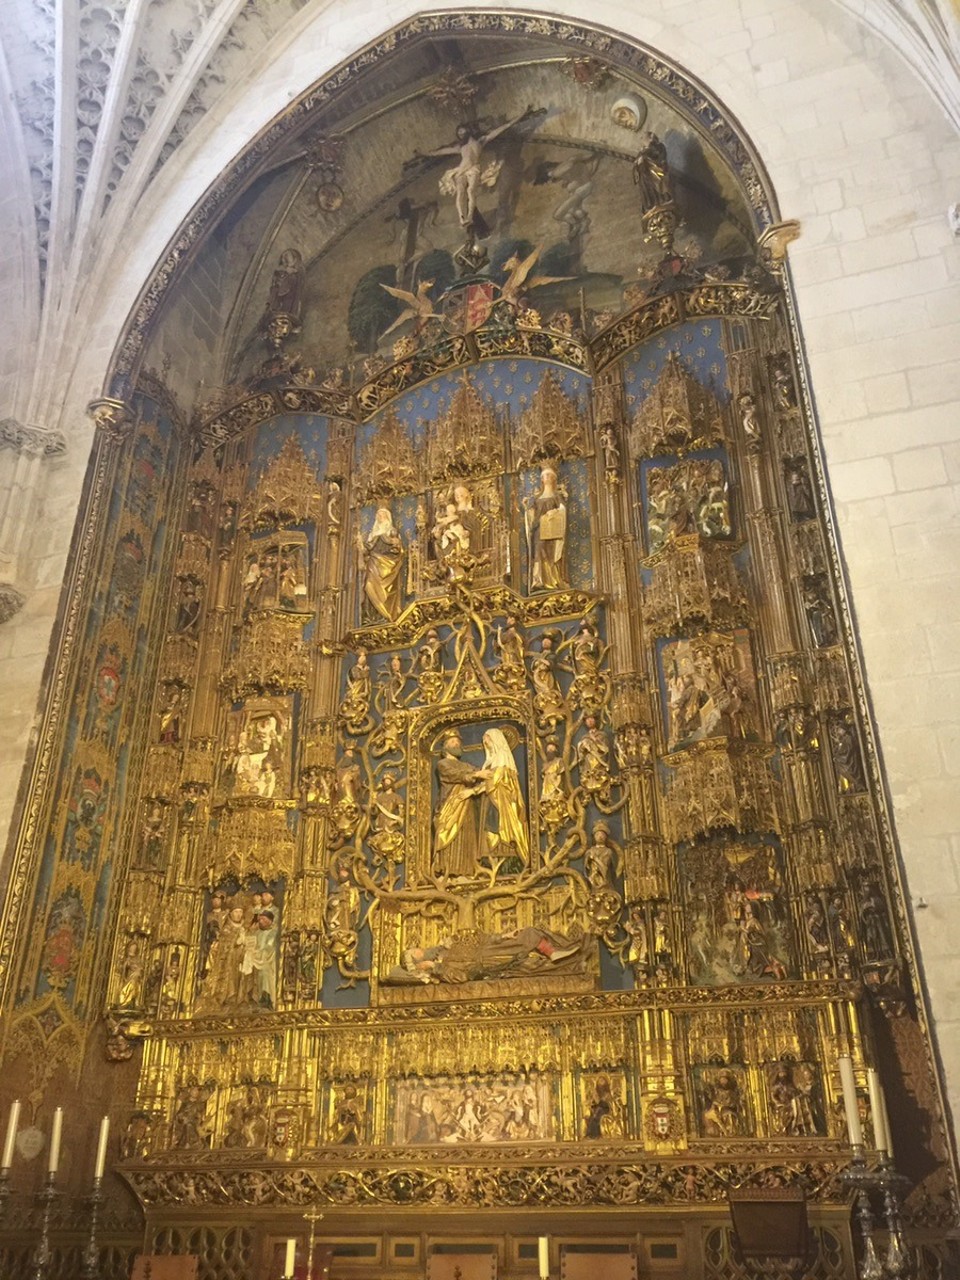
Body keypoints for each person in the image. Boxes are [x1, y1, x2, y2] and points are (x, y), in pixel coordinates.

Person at [433, 733, 487, 877]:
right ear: (445, 746)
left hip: (466, 804)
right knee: (448, 834)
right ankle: (447, 871)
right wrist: (475, 775)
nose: (456, 744)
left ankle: (466, 871)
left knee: (466, 834)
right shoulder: (442, 764)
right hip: (450, 803)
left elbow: (480, 774)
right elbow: (453, 775)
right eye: (452, 741)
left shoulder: (466, 765)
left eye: (458, 741)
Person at [480, 728, 529, 865]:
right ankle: (492, 861)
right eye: (484, 740)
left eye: (487, 738)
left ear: (496, 739)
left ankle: (508, 862)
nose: (485, 742)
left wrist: (476, 789)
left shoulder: (502, 756)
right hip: (493, 799)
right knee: (491, 826)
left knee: (503, 826)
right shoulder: (491, 759)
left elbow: (496, 779)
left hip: (502, 800)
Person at [524, 467, 567, 591]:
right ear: (541, 479)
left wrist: (554, 512)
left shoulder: (556, 496)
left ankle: (553, 580)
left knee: (551, 553)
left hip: (552, 530)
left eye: (549, 475)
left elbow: (563, 509)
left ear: (553, 478)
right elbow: (531, 514)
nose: (547, 477)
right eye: (544, 475)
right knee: (538, 551)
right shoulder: (537, 498)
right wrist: (527, 508)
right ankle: (538, 580)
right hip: (539, 529)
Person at [358, 506, 404, 622]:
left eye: (382, 515)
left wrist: (396, 544)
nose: (380, 518)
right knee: (368, 585)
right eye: (378, 516)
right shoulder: (372, 535)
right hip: (373, 563)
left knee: (386, 590)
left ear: (387, 518)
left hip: (388, 564)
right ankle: (372, 616)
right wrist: (360, 544)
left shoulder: (391, 531)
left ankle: (386, 614)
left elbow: (398, 550)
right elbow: (366, 550)